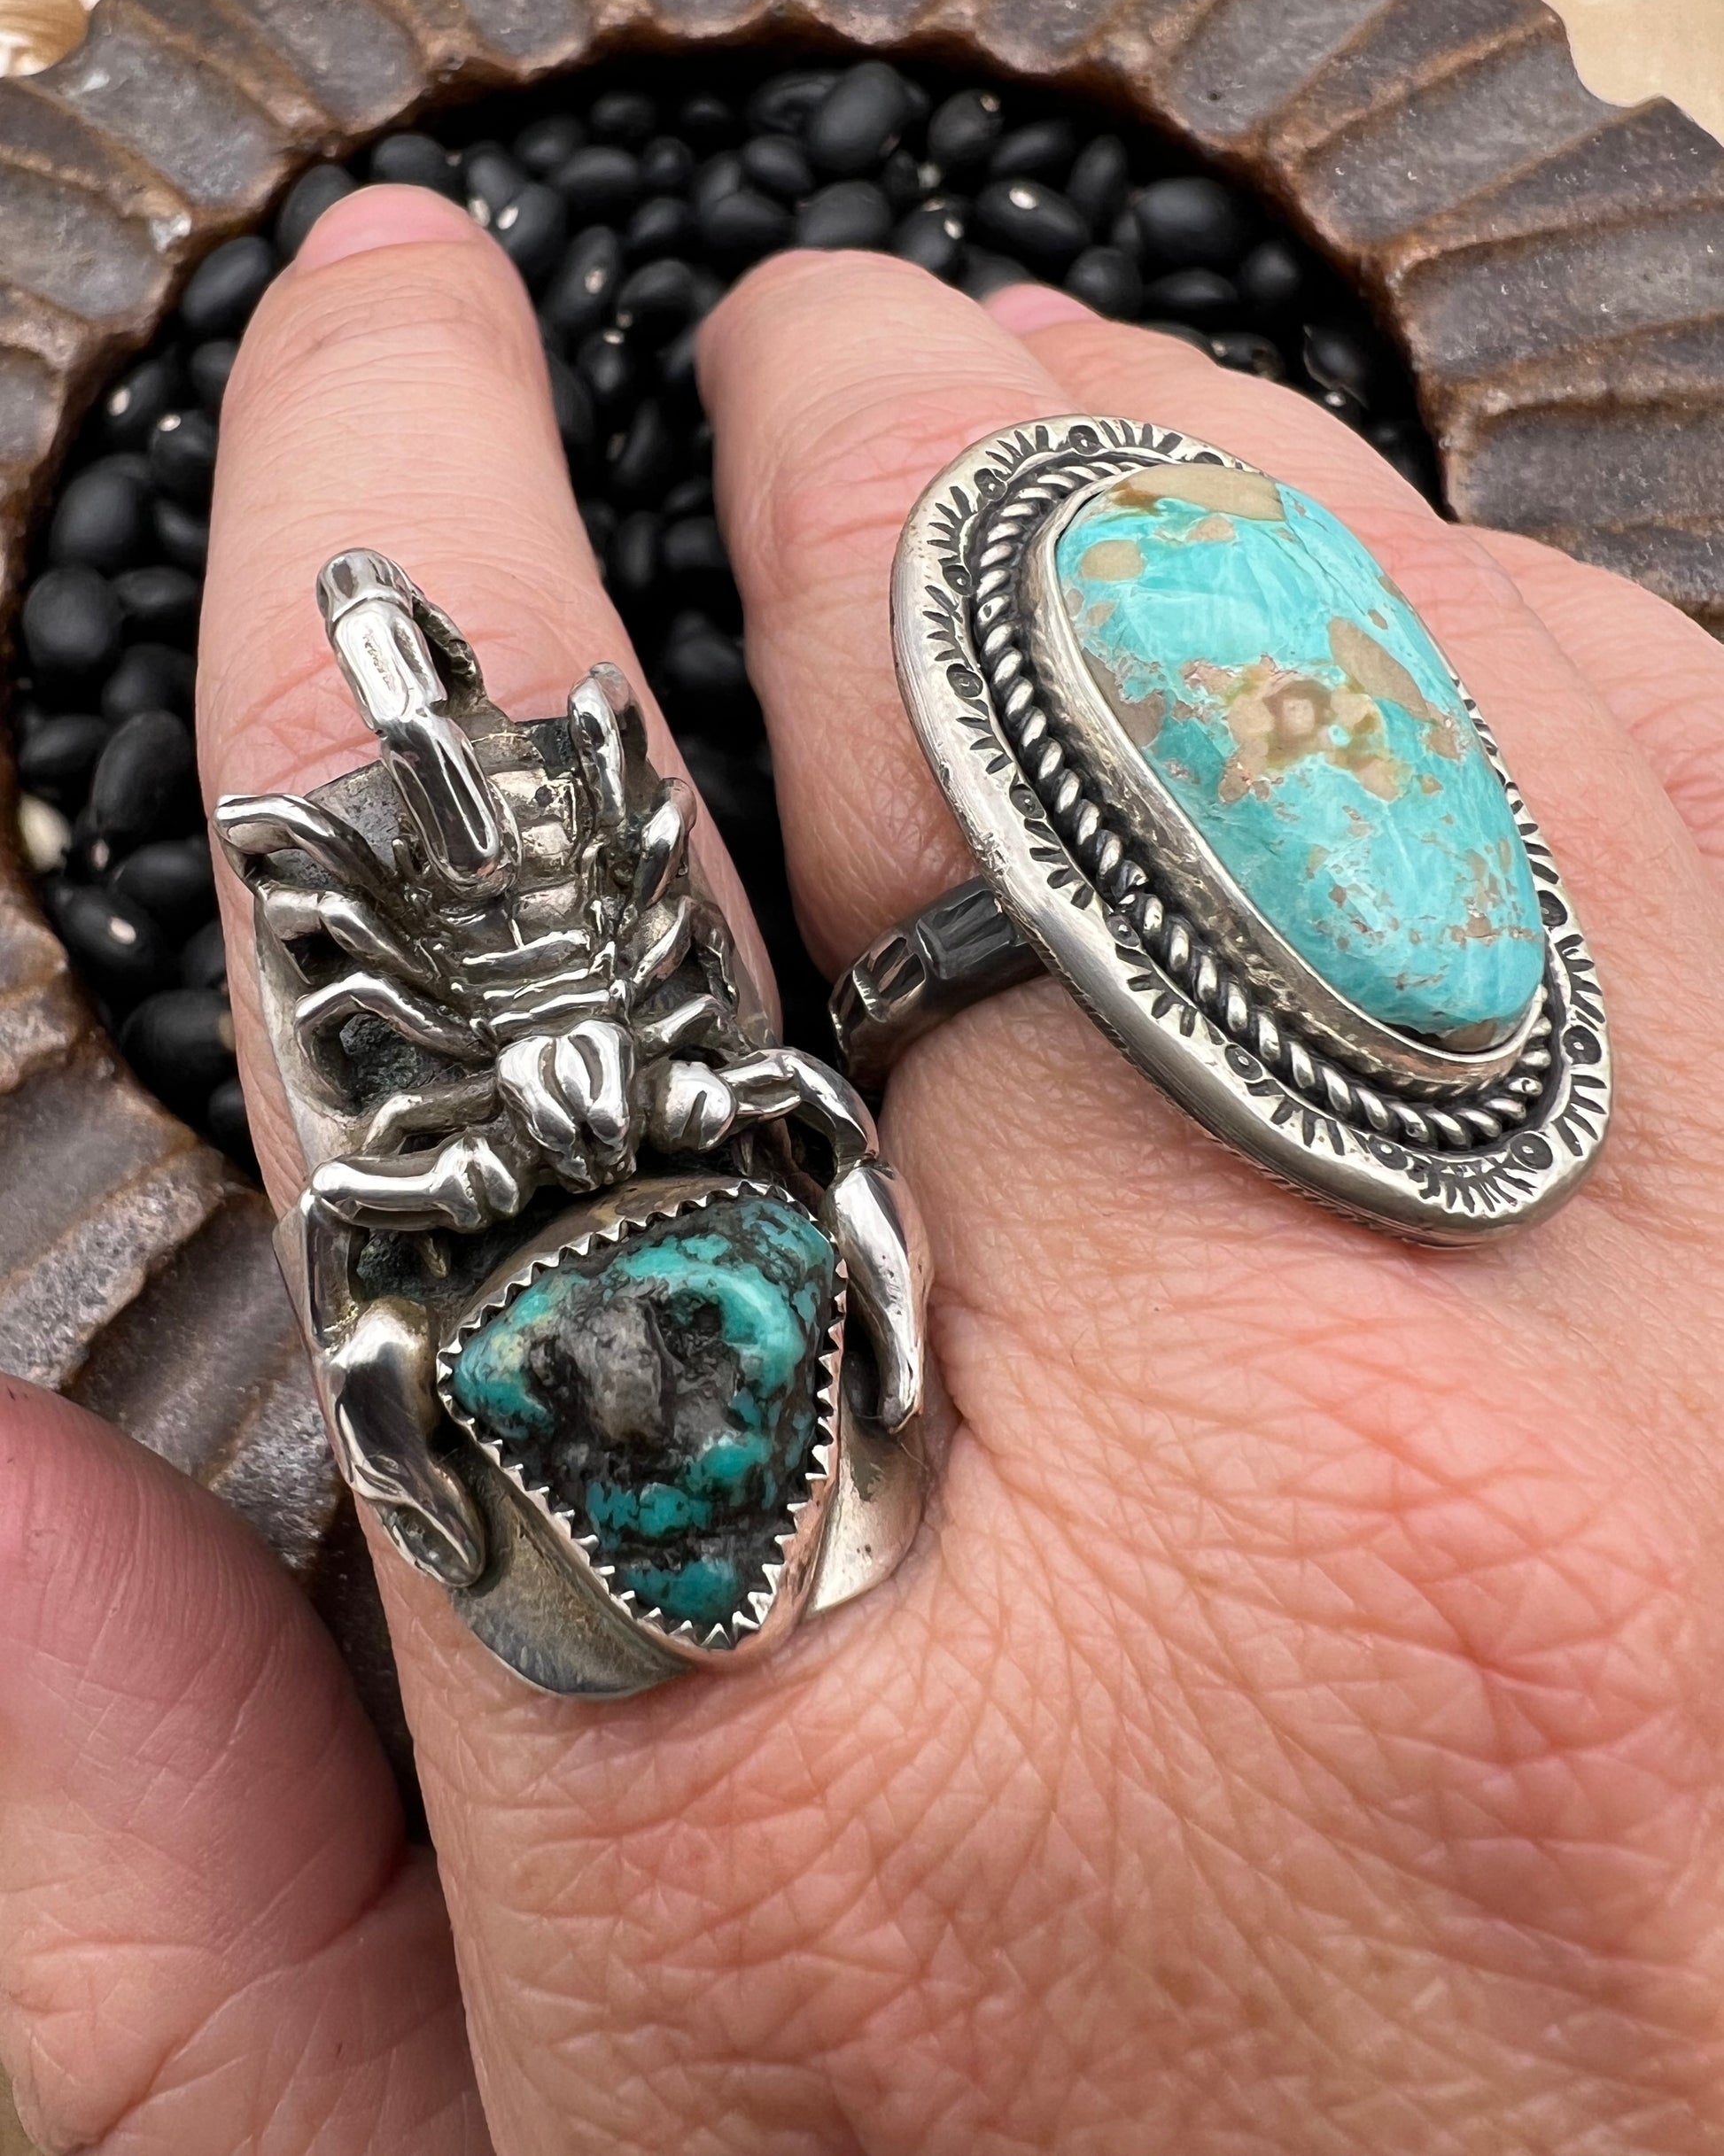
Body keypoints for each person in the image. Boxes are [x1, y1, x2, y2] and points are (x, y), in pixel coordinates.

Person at [4, 183, 1724, 2155]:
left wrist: (891, 1279)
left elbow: (799, 1103)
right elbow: (349, 1226)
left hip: (660, 1002)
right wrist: (416, 1459)